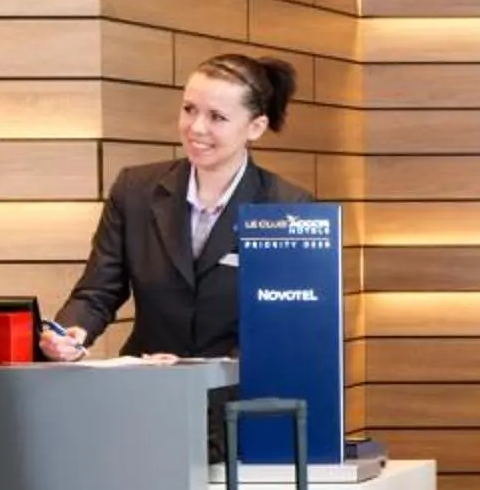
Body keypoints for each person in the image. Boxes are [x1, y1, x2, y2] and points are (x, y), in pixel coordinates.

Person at [43, 52, 308, 361]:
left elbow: (283, 321)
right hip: (149, 380)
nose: (196, 127)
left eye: (217, 117)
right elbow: (97, 291)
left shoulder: (288, 207)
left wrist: (198, 368)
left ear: (256, 127)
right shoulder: (134, 189)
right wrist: (71, 334)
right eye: (189, 109)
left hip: (240, 384)